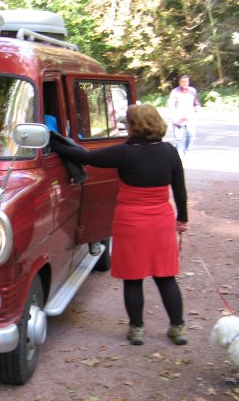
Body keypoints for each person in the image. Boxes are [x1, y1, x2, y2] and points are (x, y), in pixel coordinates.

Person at [50, 104, 189, 346]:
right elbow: (179, 189)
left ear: (134, 126)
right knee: (166, 277)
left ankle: (137, 330)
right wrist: (183, 219)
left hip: (131, 221)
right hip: (161, 221)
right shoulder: (170, 151)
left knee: (133, 278)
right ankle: (177, 329)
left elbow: (85, 157)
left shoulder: (124, 153)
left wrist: (53, 143)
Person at [168, 75, 200, 154]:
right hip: (178, 119)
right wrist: (174, 116)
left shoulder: (192, 91)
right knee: (178, 138)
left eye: (187, 82)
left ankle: (187, 150)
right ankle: (178, 154)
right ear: (179, 83)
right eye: (183, 82)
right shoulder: (175, 92)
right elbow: (171, 105)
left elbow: (196, 103)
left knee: (191, 135)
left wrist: (197, 109)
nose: (185, 84)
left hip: (189, 118)